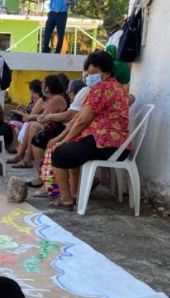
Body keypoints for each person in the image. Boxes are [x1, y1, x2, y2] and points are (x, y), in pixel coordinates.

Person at [46, 51, 130, 211]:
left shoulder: (101, 89)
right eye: (88, 72)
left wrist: (63, 141)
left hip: (105, 144)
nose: (90, 76)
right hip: (119, 145)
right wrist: (63, 137)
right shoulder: (117, 87)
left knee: (59, 154)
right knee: (69, 146)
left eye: (95, 72)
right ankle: (73, 192)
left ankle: (66, 199)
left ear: (106, 72)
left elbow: (82, 120)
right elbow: (78, 118)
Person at [12, 75, 68, 174]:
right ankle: (24, 157)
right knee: (31, 125)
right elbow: (43, 117)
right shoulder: (53, 98)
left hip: (57, 129)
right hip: (52, 126)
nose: (41, 87)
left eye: (43, 85)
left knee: (32, 126)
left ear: (48, 87)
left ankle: (29, 162)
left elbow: (43, 119)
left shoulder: (56, 99)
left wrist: (33, 117)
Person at [7, 79, 46, 163]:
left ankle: (20, 151)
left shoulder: (41, 100)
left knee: (27, 124)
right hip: (38, 121)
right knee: (26, 124)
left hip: (39, 123)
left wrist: (25, 114)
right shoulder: (39, 99)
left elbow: (29, 117)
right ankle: (20, 152)